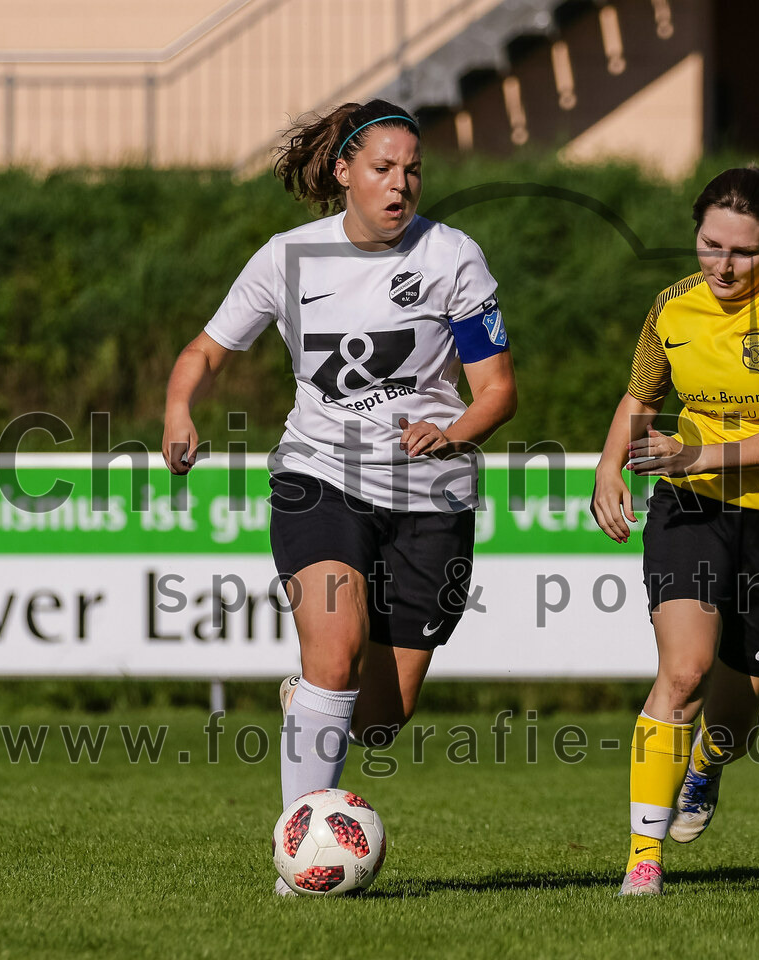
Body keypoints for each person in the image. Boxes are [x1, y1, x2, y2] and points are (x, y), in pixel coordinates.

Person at [161, 99, 517, 895]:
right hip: (318, 475)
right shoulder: (288, 258)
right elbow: (206, 351)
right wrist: (179, 406)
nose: (402, 185)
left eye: (413, 170)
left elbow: (497, 391)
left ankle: (312, 705)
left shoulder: (455, 257)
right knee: (333, 646)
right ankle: (301, 866)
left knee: (380, 717)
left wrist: (452, 434)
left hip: (433, 495)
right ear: (343, 172)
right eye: (384, 169)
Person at [591, 166, 759, 896]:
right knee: (684, 673)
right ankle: (643, 859)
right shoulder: (672, 307)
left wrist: (693, 449)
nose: (722, 266)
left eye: (740, 253)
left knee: (731, 716)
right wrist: (611, 465)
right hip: (693, 502)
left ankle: (706, 767)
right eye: (709, 246)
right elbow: (641, 394)